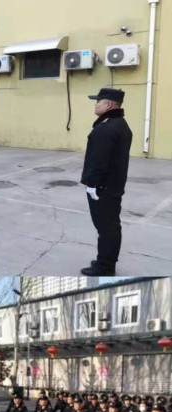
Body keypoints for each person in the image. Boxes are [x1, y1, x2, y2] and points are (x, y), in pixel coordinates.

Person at [80, 88, 133, 276]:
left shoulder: (106, 128)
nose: (95, 105)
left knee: (106, 228)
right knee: (110, 225)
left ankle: (105, 267)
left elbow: (99, 161)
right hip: (114, 185)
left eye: (98, 101)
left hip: (103, 188)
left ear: (108, 104)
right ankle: (106, 261)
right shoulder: (120, 124)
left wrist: (92, 185)